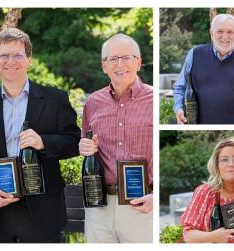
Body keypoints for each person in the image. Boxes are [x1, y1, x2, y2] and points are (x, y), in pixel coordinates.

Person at [0, 28, 80, 243]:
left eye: (18, 55)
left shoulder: (55, 100)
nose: (11, 61)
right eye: (4, 55)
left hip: (42, 210)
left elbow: (74, 142)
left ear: (29, 59)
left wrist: (43, 142)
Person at [78, 34, 153, 243]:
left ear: (138, 62)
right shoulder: (93, 102)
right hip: (99, 206)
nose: (120, 64)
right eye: (113, 59)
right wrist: (84, 146)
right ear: (104, 66)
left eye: (127, 57)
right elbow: (87, 145)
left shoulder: (153, 100)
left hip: (142, 206)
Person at [172, 14, 234, 124]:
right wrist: (178, 108)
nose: (225, 36)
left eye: (230, 32)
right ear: (212, 33)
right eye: (220, 31)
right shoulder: (194, 54)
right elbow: (180, 86)